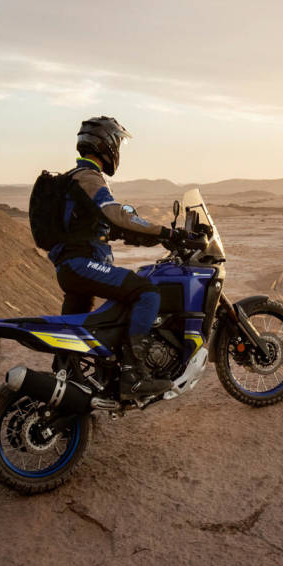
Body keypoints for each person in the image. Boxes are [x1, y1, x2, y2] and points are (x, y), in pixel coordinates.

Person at [50, 116, 190, 397]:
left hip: (72, 267)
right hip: (80, 265)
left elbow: (106, 228)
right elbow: (117, 215)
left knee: (78, 330)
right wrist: (165, 232)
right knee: (146, 292)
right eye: (118, 145)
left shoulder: (74, 179)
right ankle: (133, 375)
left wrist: (147, 237)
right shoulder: (88, 178)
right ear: (107, 145)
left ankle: (69, 385)